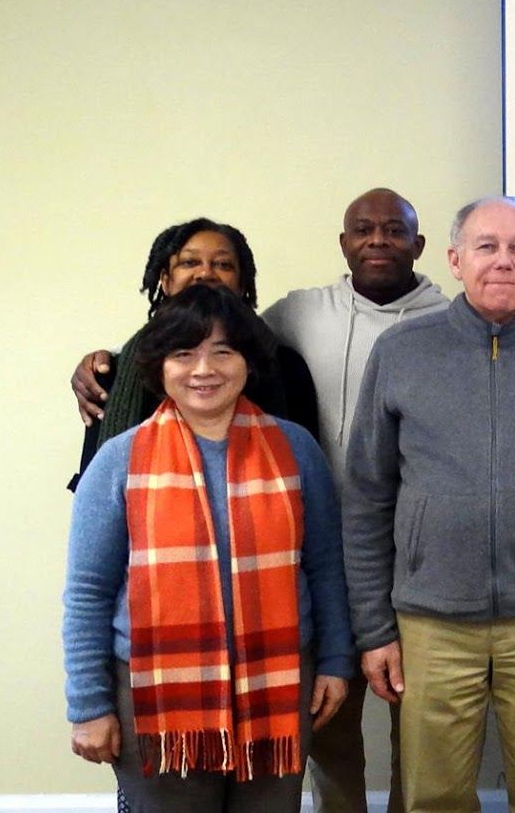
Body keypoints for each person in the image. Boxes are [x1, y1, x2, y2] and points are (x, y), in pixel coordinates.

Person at [342, 197, 515, 813]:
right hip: (431, 620)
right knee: (433, 797)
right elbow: (366, 497)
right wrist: (374, 628)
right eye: (486, 246)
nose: (503, 260)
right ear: (455, 259)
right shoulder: (401, 351)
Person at [63, 284, 353, 811]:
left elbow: (326, 568)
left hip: (278, 684)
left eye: (223, 351)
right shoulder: (119, 460)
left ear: (247, 362)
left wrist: (335, 662)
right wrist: (88, 705)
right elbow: (87, 592)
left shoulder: (296, 450)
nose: (204, 369)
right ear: (159, 366)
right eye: (184, 353)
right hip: (154, 695)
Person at [262, 188, 447, 813]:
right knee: (330, 716)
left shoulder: (451, 320)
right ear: (343, 243)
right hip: (319, 550)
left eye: (394, 230)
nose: (378, 241)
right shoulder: (298, 312)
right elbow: (207, 342)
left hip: (412, 554)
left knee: (416, 720)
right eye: (364, 229)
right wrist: (109, 360)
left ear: (418, 245)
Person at [68, 218, 319, 487]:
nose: (205, 273)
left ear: (242, 284)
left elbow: (310, 480)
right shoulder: (110, 374)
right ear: (165, 280)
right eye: (189, 262)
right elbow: (94, 489)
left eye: (223, 264)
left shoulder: (287, 368)